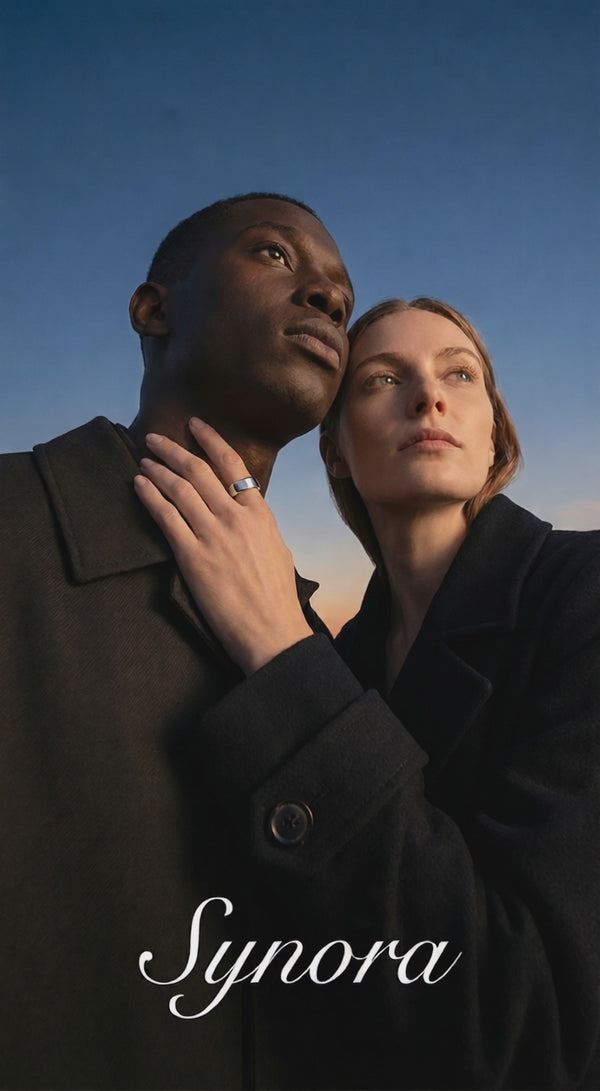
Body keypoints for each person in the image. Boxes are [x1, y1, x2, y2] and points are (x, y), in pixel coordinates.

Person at [135, 297, 600, 1089]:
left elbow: (536, 1031)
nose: (429, 396)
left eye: (461, 373)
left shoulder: (583, 594)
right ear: (339, 448)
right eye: (383, 378)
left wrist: (280, 645)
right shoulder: (347, 657)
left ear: (495, 436)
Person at [0, 192, 355, 1090]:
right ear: (153, 310)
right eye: (276, 256)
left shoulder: (317, 640)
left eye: (343, 303)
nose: (324, 300)